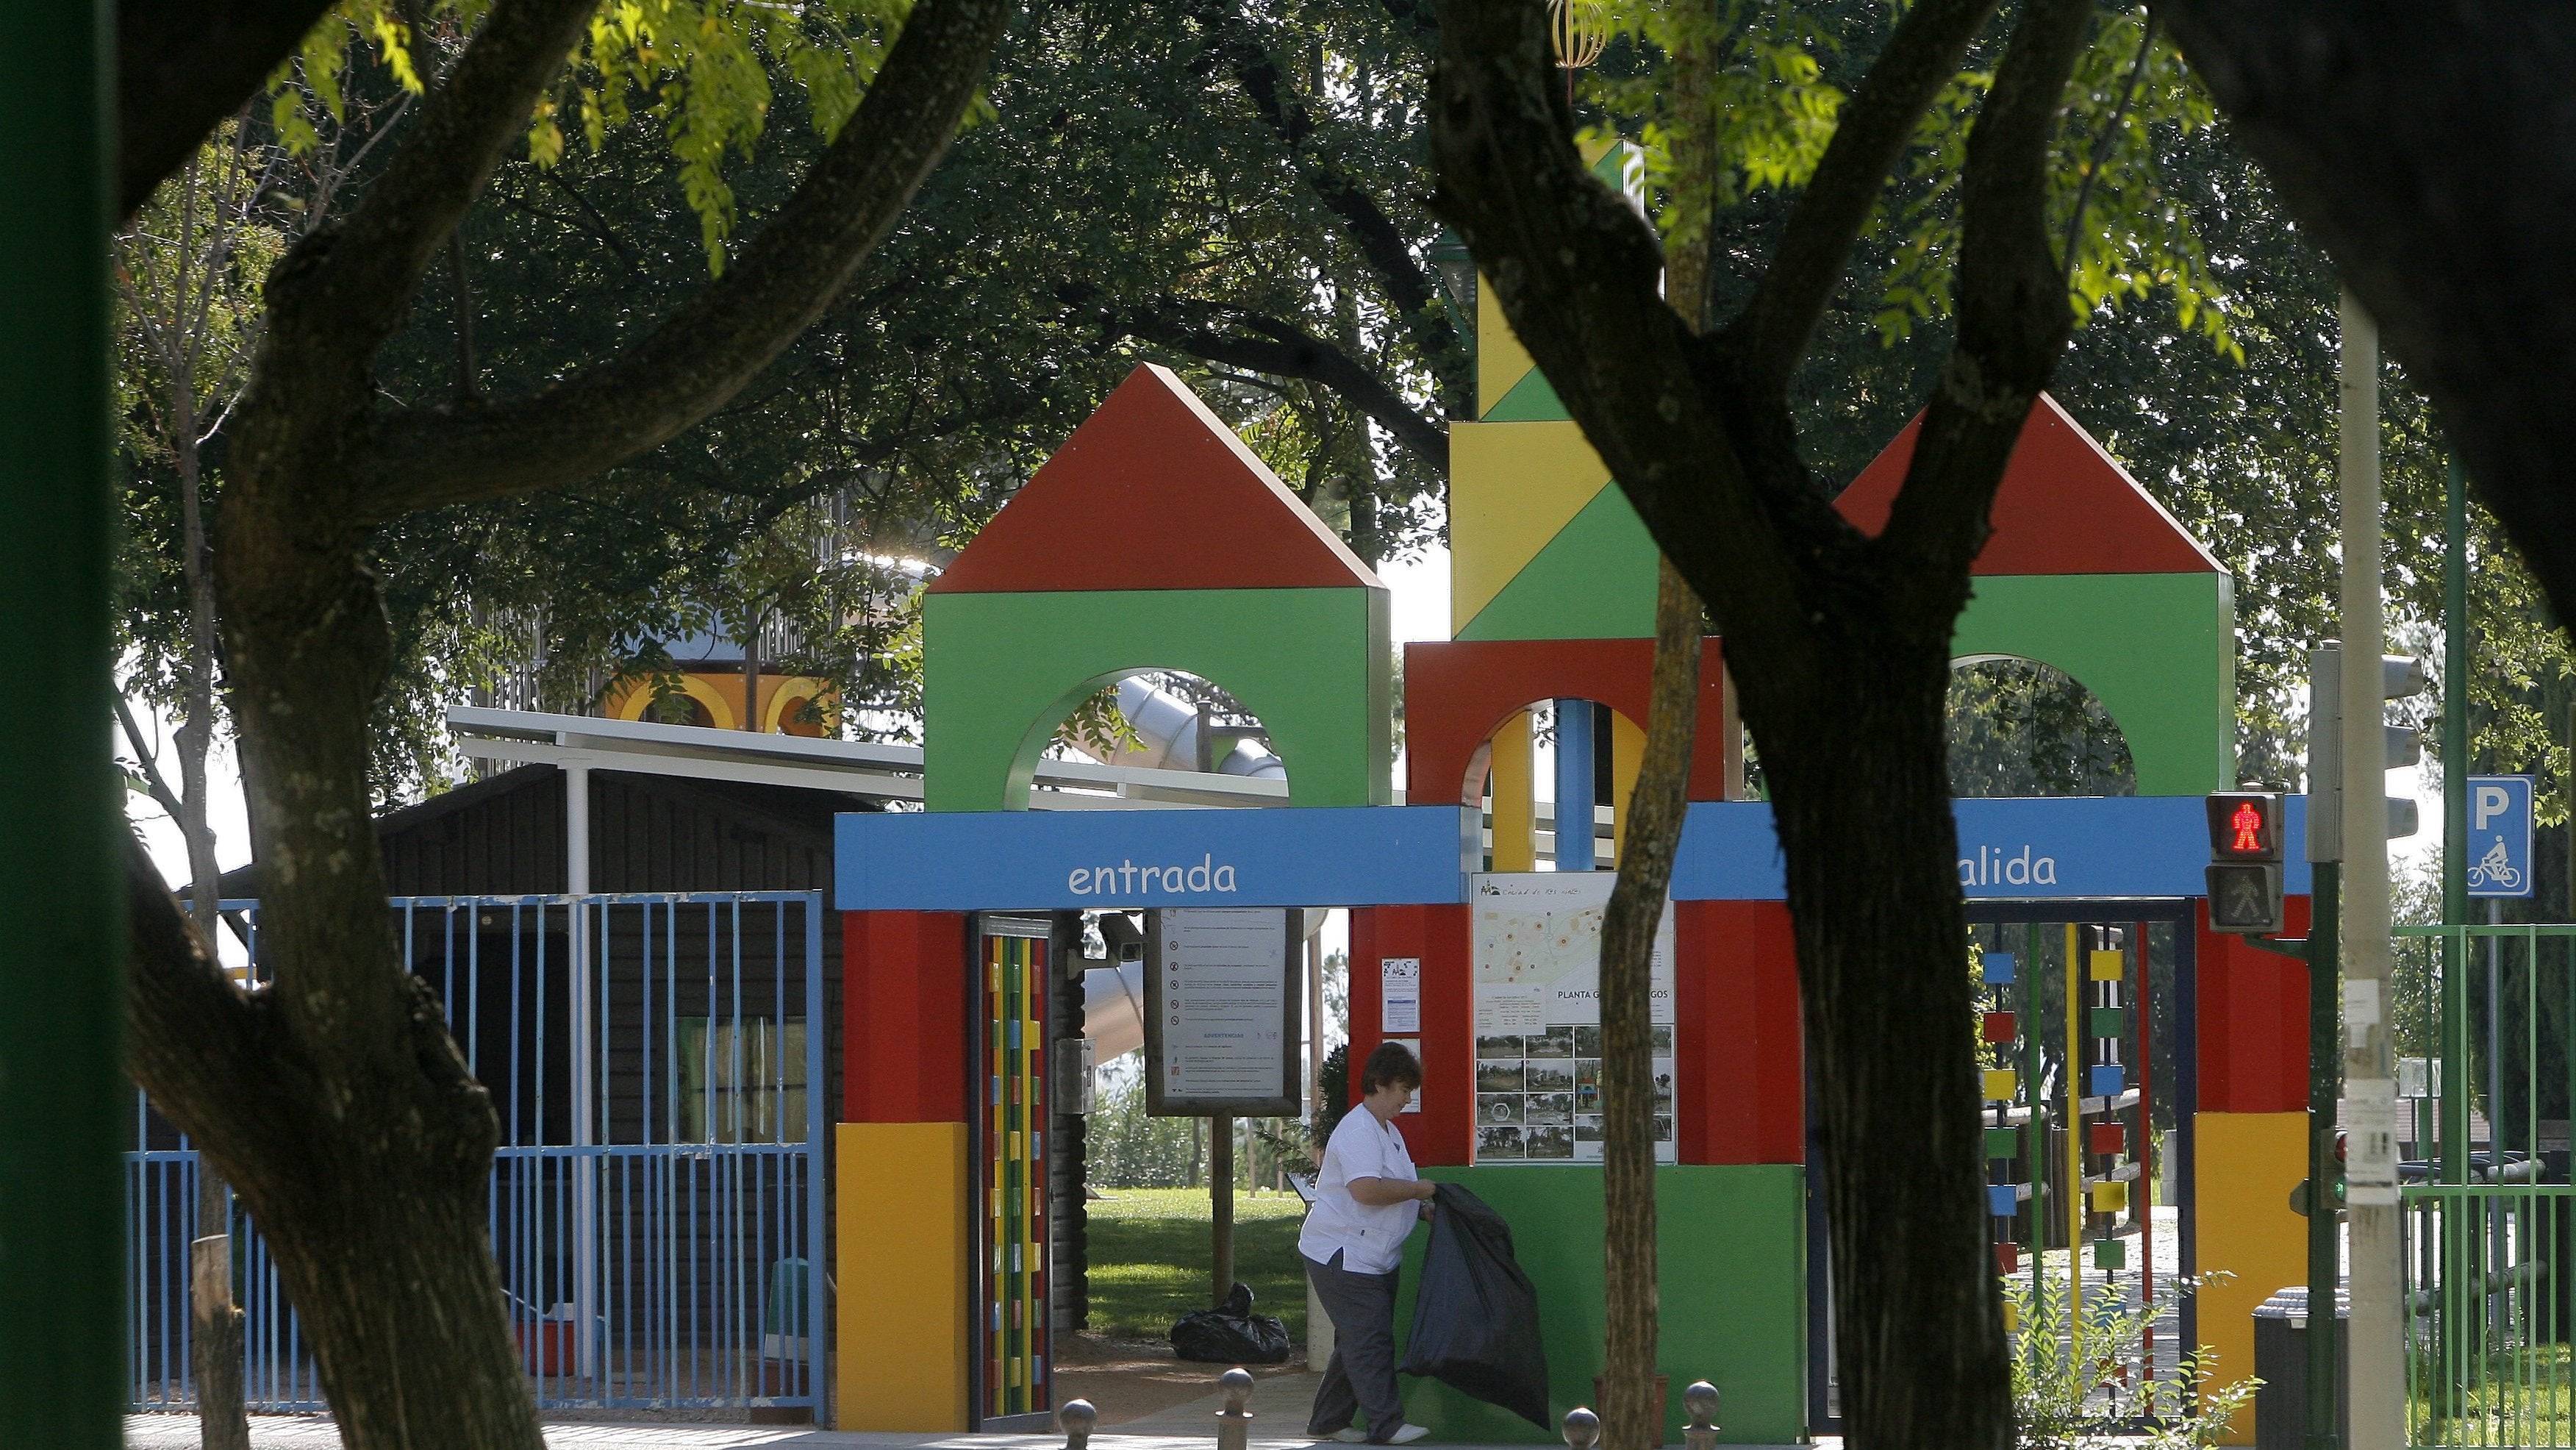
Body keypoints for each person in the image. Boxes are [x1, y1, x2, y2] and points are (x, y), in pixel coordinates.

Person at [1300, 1040, 1437, 1445]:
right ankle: (1387, 1424)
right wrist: (1417, 1192)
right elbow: (1365, 1190)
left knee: (1356, 1341)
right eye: (1402, 1089)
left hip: (1375, 1254)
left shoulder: (1388, 1132)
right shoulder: (1358, 1130)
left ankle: (1328, 1420)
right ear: (1379, 1084)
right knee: (1371, 1338)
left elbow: (1388, 1189)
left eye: (1410, 1091)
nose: (1406, 1099)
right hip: (1342, 1254)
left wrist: (1422, 1210)